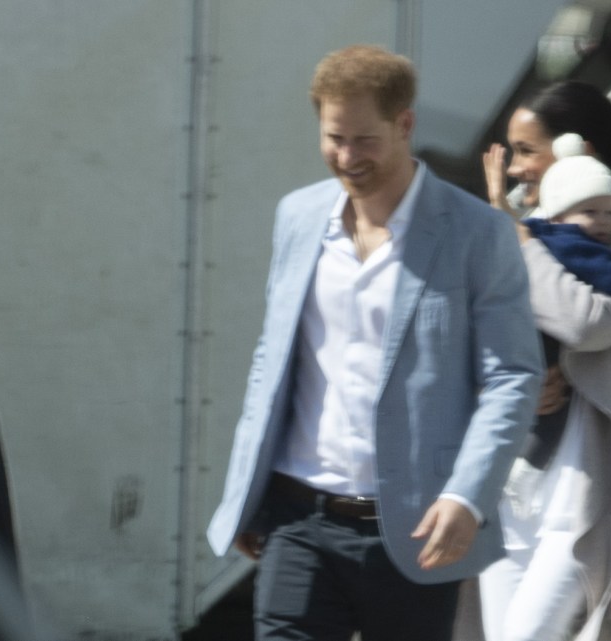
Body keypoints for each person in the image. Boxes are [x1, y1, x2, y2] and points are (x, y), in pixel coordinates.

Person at [206, 45, 544, 641]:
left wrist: (468, 495)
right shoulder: (298, 216)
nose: (346, 156)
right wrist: (246, 490)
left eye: (363, 139)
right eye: (334, 138)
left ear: (404, 124)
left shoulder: (475, 233)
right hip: (297, 515)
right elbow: (272, 359)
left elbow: (511, 376)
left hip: (416, 528)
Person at [478, 81, 611, 641]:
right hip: (514, 481)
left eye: (528, 150)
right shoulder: (514, 231)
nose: (518, 168)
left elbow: (588, 322)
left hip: (590, 497)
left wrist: (518, 241)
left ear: (578, 151)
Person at [505, 132, 611, 518]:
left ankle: (520, 468)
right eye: (590, 212)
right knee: (552, 411)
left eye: (608, 212)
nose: (603, 223)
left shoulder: (537, 233)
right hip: (545, 346)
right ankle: (526, 468)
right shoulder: (577, 244)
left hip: (522, 340)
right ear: (560, 212)